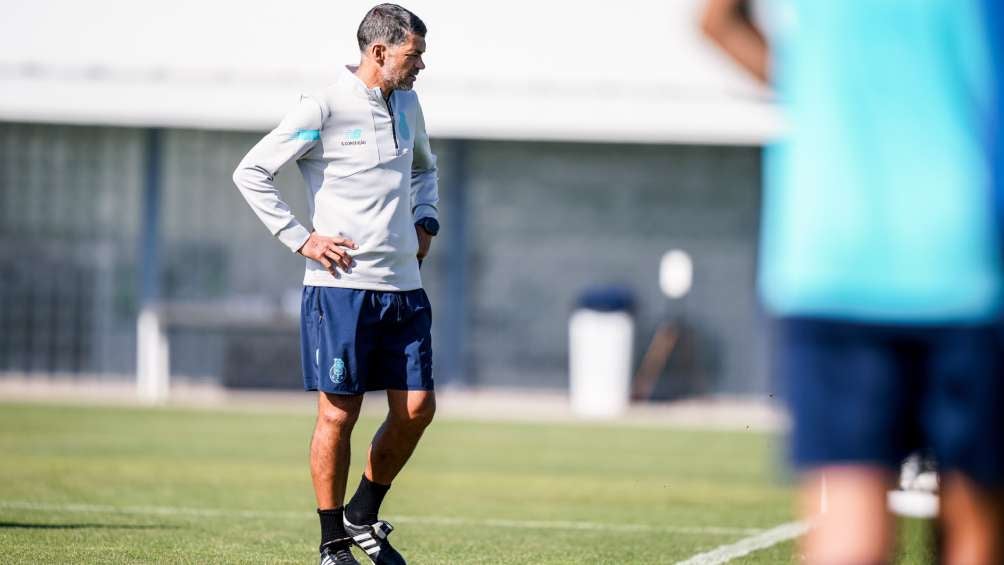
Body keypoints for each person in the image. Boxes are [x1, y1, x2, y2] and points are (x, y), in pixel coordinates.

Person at [702, 1, 1004, 563]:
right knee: (974, 526)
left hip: (832, 244)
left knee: (848, 532)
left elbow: (717, 22)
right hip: (967, 244)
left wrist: (819, 96)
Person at [232, 4, 439, 564]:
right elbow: (252, 172)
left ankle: (362, 512)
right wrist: (301, 238)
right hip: (340, 290)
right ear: (379, 52)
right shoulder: (321, 105)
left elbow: (425, 168)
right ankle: (333, 543)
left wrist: (426, 218)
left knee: (418, 408)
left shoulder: (411, 104)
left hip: (404, 287)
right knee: (338, 414)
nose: (421, 65)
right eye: (413, 54)